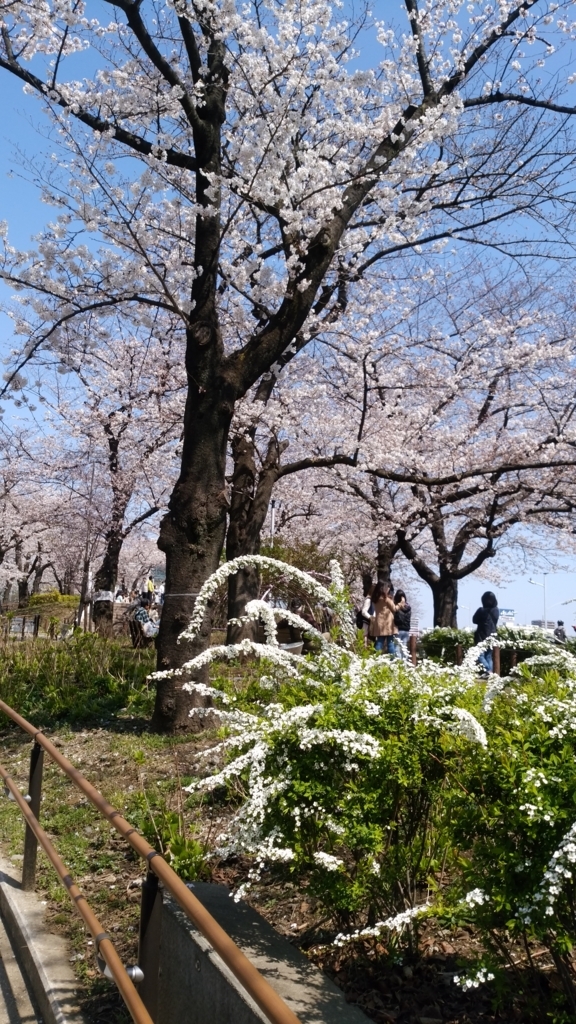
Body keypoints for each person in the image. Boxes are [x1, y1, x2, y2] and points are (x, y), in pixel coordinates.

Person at [364, 579, 398, 655]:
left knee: (379, 643)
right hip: (388, 623)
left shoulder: (375, 598)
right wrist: (400, 604)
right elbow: (394, 609)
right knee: (390, 644)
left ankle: (376, 659)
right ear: (383, 588)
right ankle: (393, 662)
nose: (388, 588)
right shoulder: (386, 599)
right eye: (387, 587)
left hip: (379, 623)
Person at [472, 591, 499, 674]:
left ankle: (488, 671)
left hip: (481, 635)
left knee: (480, 655)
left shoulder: (481, 610)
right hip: (492, 636)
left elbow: (474, 620)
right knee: (488, 656)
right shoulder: (496, 610)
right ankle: (490, 672)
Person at [393, 589, 411, 657]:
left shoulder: (397, 606)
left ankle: (398, 664)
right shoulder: (408, 607)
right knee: (404, 648)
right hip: (406, 630)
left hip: (398, 629)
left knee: (397, 648)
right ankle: (405, 664)